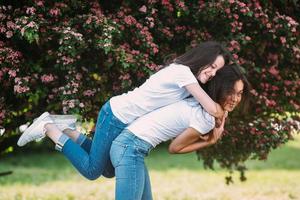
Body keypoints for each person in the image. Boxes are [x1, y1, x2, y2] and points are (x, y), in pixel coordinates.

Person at [17, 41, 230, 179]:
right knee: (92, 171)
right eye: (211, 66)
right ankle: (48, 127)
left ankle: (67, 130)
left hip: (123, 119)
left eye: (217, 71)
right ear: (202, 59)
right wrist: (222, 115)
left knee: (109, 170)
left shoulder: (188, 82)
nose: (212, 73)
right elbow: (213, 108)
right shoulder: (183, 73)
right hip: (116, 114)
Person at [110, 64, 250, 199]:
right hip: (130, 148)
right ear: (220, 89)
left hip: (130, 146)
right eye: (230, 92)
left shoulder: (199, 100)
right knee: (94, 170)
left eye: (239, 93)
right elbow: (174, 148)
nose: (235, 99)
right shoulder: (206, 118)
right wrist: (210, 141)